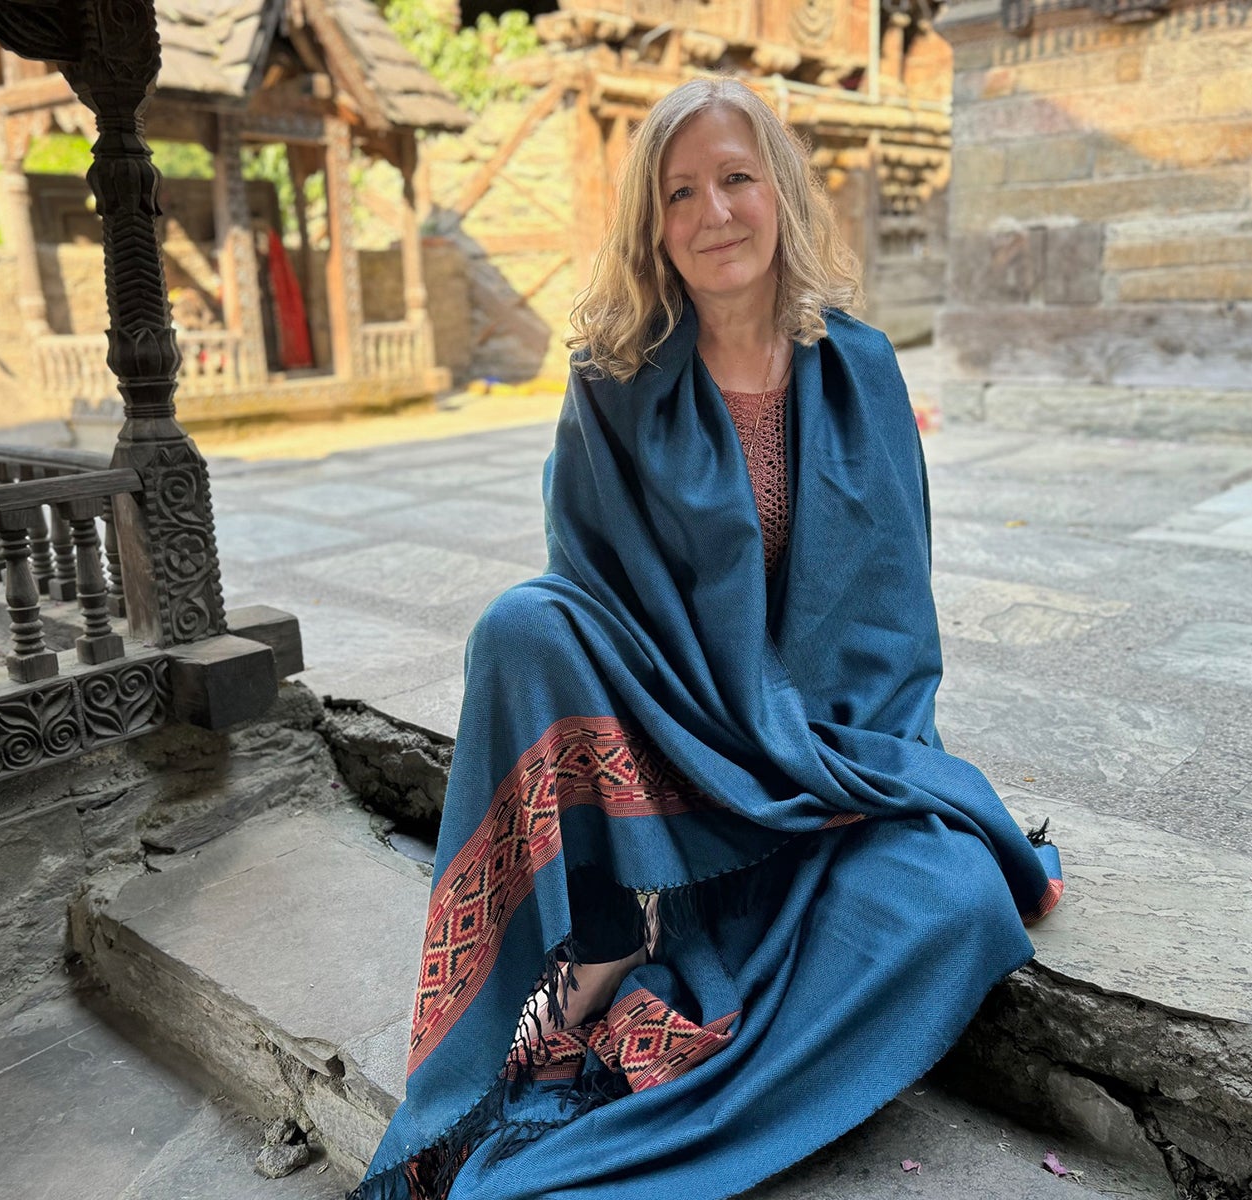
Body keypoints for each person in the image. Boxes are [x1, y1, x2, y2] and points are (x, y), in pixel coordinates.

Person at [351, 76, 1063, 1200]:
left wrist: (833, 764)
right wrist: (713, 732)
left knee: (956, 901)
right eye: (680, 192)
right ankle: (602, 943)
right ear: (653, 225)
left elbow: (889, 615)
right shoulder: (611, 380)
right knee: (522, 623)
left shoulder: (862, 366)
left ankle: (716, 1106)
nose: (712, 212)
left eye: (735, 178)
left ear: (777, 192)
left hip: (824, 751)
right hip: (674, 741)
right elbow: (592, 598)